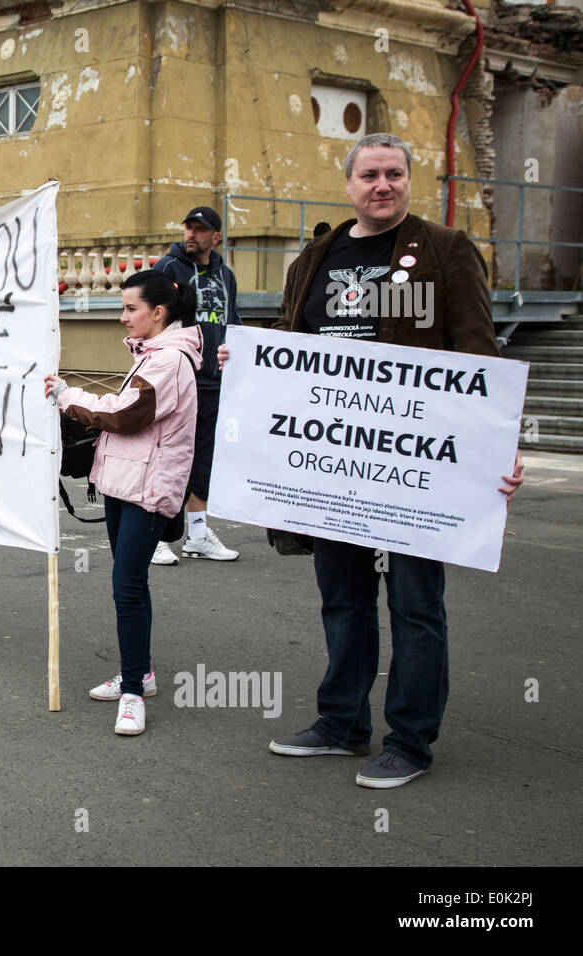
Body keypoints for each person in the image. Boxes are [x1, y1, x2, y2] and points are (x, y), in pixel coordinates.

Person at [219, 133, 525, 787]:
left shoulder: (444, 250)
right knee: (344, 598)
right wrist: (247, 357)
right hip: (331, 468)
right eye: (368, 175)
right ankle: (341, 725)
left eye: (393, 174)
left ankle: (410, 742)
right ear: (349, 183)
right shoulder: (317, 256)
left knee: (415, 604)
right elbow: (293, 339)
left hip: (413, 469)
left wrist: (500, 449)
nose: (381, 185)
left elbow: (477, 352)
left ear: (409, 181)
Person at [45, 272, 202, 735]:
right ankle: (142, 675)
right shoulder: (152, 354)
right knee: (132, 583)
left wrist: (66, 396)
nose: (123, 317)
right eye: (123, 307)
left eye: (131, 308)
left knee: (126, 586)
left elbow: (126, 414)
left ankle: (133, 691)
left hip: (148, 489)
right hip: (124, 483)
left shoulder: (169, 360)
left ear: (159, 312)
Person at [151, 205, 242, 564]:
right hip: (177, 377)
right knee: (168, 456)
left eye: (200, 229)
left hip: (213, 381)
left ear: (215, 237)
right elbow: (151, 320)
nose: (191, 234)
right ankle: (156, 535)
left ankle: (198, 535)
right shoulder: (167, 268)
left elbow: (233, 324)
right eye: (188, 227)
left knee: (203, 459)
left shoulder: (226, 276)